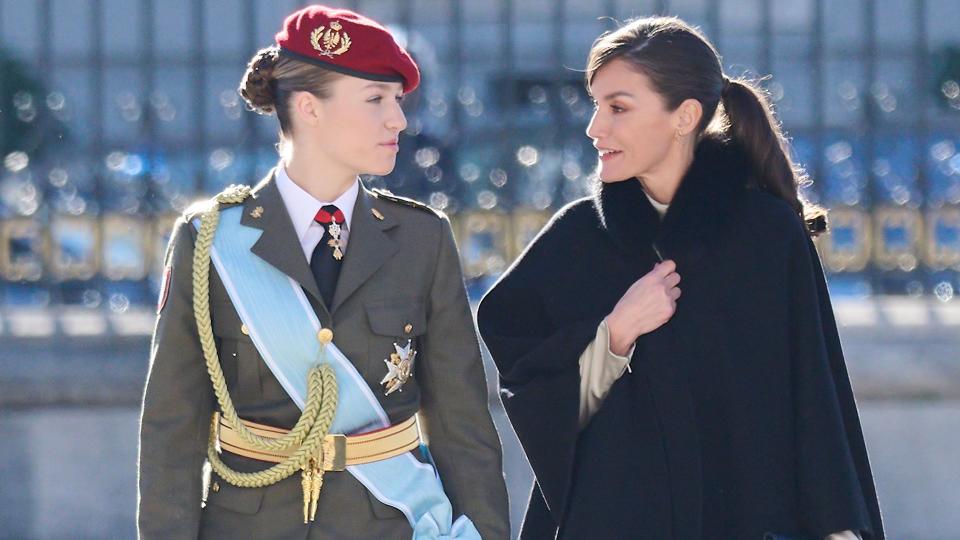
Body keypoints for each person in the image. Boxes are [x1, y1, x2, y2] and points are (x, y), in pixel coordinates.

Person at [477, 16, 883, 540]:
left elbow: (814, 397)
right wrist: (615, 334)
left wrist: (839, 531)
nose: (595, 128)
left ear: (685, 115)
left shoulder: (767, 235)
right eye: (596, 106)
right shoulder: (576, 239)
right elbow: (539, 402)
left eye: (618, 108)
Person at [138, 5, 509, 539]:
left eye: (398, 101)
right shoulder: (212, 241)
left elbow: (463, 425)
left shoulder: (421, 239)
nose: (399, 120)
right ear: (309, 108)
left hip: (389, 523)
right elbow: (172, 430)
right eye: (376, 99)